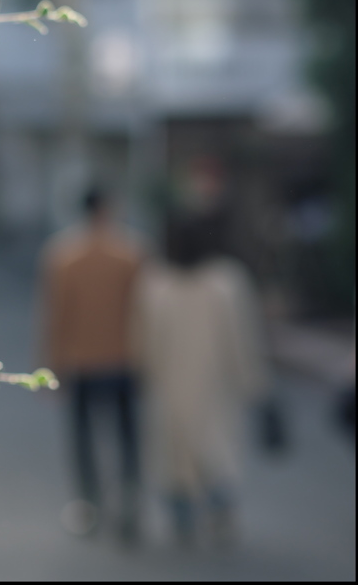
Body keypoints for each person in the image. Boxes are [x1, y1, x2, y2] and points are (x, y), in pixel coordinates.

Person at [131, 211, 270, 547]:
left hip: (170, 387)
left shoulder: (155, 283)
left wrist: (142, 373)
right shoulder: (225, 281)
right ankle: (220, 513)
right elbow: (243, 339)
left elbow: (142, 340)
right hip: (215, 387)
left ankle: (184, 520)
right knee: (217, 452)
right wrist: (253, 382)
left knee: (176, 460)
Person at [38, 185, 144, 543]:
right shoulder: (131, 253)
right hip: (124, 357)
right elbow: (144, 312)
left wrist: (50, 365)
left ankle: (89, 503)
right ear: (109, 207)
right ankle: (129, 497)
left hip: (80, 360)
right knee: (127, 435)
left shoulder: (63, 255)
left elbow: (55, 316)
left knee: (82, 437)